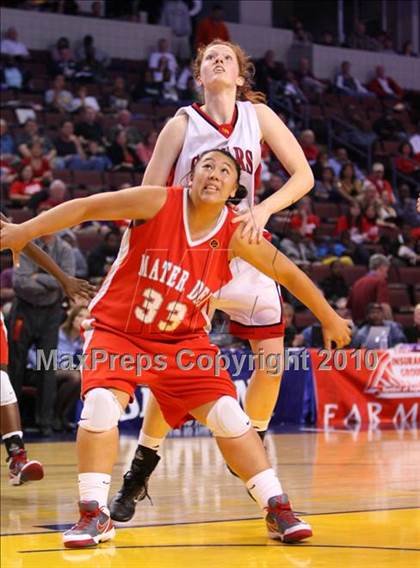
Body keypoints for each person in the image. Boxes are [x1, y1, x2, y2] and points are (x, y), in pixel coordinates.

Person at [0, 149, 352, 548]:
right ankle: (94, 514)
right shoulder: (157, 200)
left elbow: (287, 272)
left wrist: (328, 317)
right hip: (120, 331)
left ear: (234, 190)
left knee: (230, 417)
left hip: (182, 341)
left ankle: (277, 507)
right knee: (99, 405)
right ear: (190, 176)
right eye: (207, 167)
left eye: (225, 172)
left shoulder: (236, 233)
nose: (215, 175)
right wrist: (24, 230)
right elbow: (86, 207)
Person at [105, 39, 315, 522]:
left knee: (272, 362)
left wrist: (263, 209)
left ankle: (252, 445)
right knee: (174, 373)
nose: (218, 61)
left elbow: (303, 176)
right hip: (189, 255)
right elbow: (148, 195)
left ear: (241, 76)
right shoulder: (181, 123)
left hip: (242, 246)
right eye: (208, 59)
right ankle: (140, 469)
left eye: (227, 57)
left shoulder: (258, 118)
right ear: (199, 76)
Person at [0, 212, 93, 483]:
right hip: (25, 309)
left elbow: (25, 241)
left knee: (3, 381)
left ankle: (18, 459)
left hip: (39, 313)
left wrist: (63, 279)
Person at [347, 254, 392, 325]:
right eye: (386, 271)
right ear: (381, 267)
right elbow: (384, 306)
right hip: (373, 326)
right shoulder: (380, 281)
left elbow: (349, 308)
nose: (387, 275)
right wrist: (391, 324)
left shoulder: (357, 283)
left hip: (357, 326)